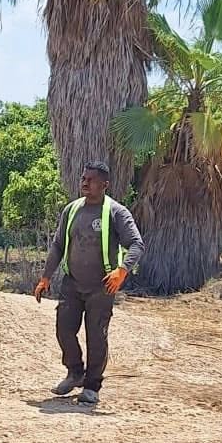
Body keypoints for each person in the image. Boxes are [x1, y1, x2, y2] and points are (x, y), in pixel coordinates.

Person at [33, 161, 144, 408]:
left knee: (96, 337)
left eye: (91, 179)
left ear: (104, 185)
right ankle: (74, 373)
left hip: (102, 287)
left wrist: (122, 271)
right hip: (72, 284)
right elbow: (58, 245)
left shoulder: (116, 212)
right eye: (83, 178)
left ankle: (92, 386)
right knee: (64, 329)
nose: (85, 182)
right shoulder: (71, 210)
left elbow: (137, 244)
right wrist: (45, 276)